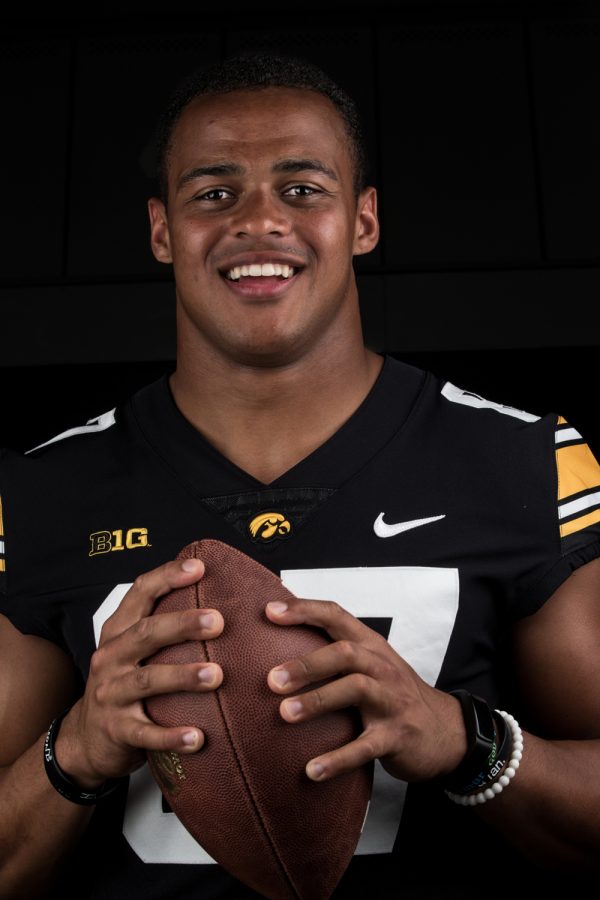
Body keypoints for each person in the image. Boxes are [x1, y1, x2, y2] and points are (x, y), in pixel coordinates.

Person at [1, 51, 599, 900]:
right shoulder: (42, 493)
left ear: (363, 220)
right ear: (162, 229)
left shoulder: (523, 461)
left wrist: (467, 741)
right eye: (214, 192)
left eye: (301, 188)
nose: (259, 222)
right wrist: (76, 752)